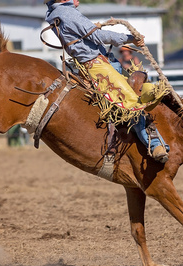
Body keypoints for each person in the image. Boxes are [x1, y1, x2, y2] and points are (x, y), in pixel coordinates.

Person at [44, 0, 169, 163]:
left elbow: (85, 34)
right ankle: (154, 144)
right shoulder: (68, 13)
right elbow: (98, 36)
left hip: (90, 63)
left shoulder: (55, 14)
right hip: (97, 65)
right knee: (130, 102)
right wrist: (129, 38)